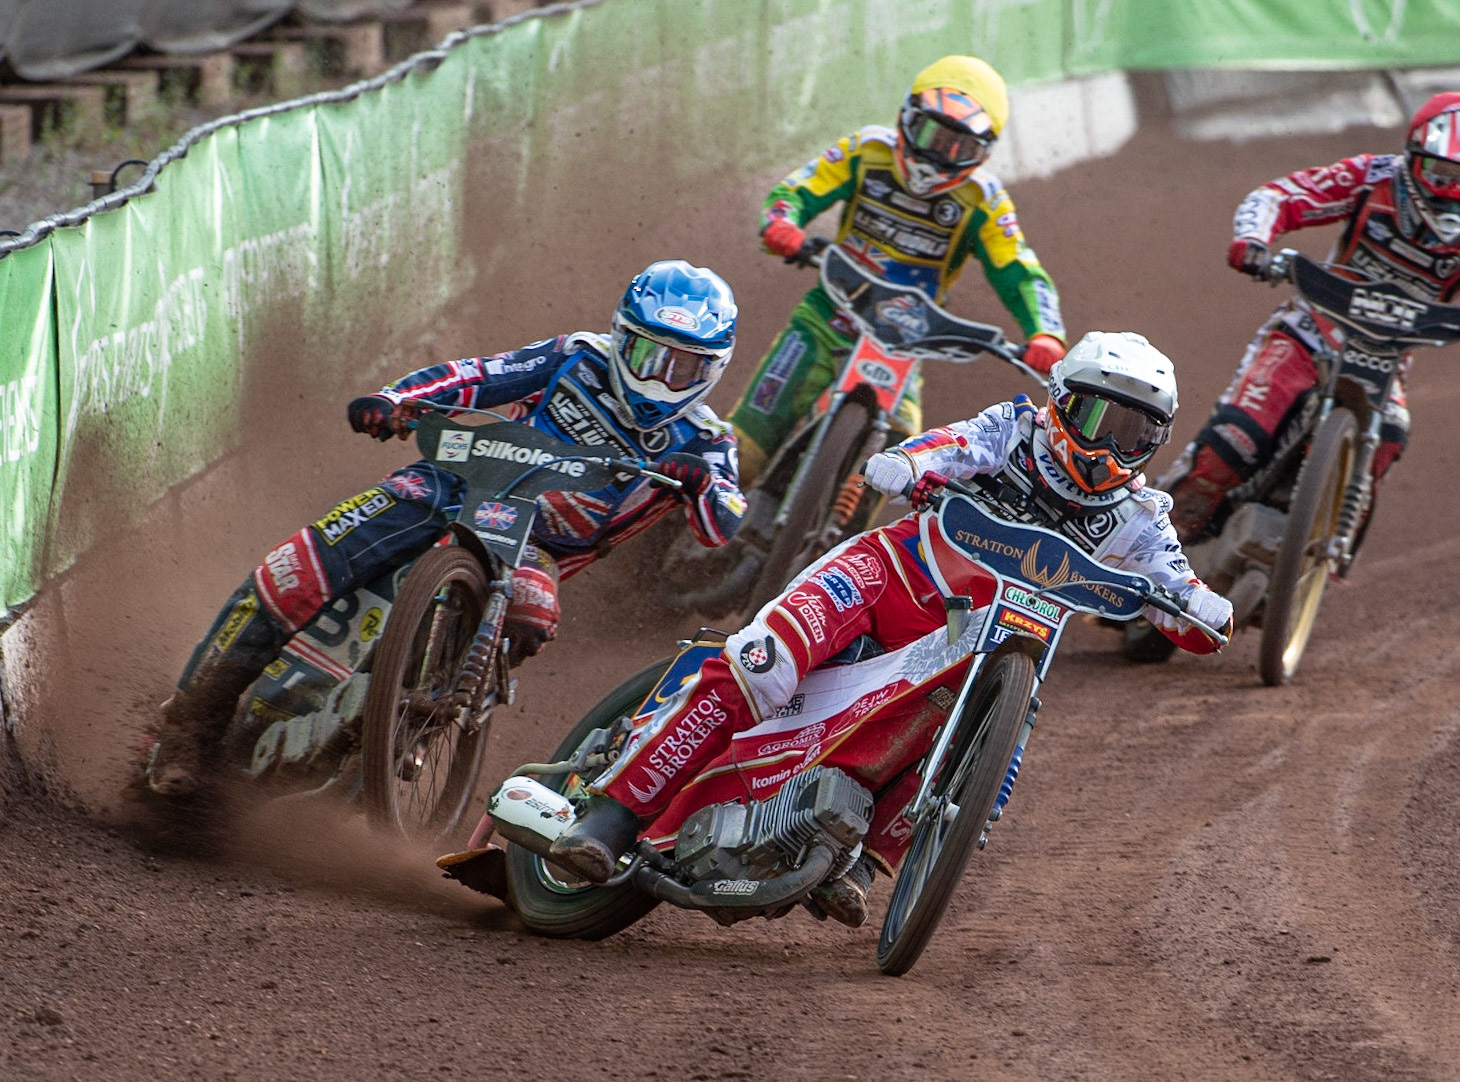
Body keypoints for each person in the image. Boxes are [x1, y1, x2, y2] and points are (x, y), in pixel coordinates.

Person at [547, 332, 1232, 927]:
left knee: (987, 761)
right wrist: (908, 465)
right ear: (1060, 402)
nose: (1110, 445)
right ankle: (611, 817)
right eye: (1097, 418)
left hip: (977, 651)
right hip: (886, 580)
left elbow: (1180, 586)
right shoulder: (1013, 431)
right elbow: (948, 445)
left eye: (1135, 434)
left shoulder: (1142, 516)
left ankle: (864, 869)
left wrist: (1202, 609)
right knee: (761, 665)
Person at [145, 260, 747, 796]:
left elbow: (725, 521)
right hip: (452, 484)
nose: (660, 379)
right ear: (621, 337)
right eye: (648, 355)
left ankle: (419, 722)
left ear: (712, 369)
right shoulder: (576, 356)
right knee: (300, 567)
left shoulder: (707, 441)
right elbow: (480, 375)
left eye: (684, 366)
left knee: (533, 614)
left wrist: (699, 482)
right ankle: (191, 724)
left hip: (535, 548)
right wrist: (398, 401)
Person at [1160, 91, 1460, 545]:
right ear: (1413, 159)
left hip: (1385, 361)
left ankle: (1320, 555)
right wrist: (1255, 241)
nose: (1456, 192)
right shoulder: (1371, 178)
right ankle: (1152, 547)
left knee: (1388, 438)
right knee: (1234, 440)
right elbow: (1280, 196)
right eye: (1443, 173)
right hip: (1311, 333)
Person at [728, 54, 1069, 485]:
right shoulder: (868, 149)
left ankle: (835, 527)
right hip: (826, 318)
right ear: (906, 117)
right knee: (741, 453)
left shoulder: (984, 199)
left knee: (902, 464)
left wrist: (1045, 333)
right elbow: (796, 190)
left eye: (959, 147)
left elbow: (1018, 270)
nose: (939, 156)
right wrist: (782, 223)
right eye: (932, 134)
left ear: (981, 153)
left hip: (905, 344)